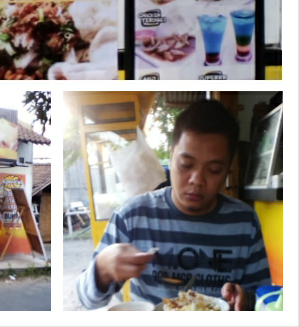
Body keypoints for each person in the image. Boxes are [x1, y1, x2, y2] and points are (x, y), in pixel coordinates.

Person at [76, 100, 270, 311]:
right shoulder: (132, 216)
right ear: (170, 155)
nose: (197, 179)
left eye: (214, 169)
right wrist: (102, 269)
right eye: (186, 165)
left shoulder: (244, 221)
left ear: (228, 170)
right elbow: (88, 300)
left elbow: (265, 299)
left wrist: (247, 299)